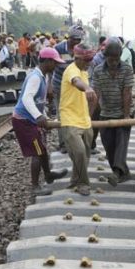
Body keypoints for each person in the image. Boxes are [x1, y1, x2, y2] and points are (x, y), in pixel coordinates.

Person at [12, 48, 69, 197]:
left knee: (42, 149)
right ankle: (35, 186)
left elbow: (38, 101)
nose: (56, 66)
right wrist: (38, 116)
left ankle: (48, 175)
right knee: (37, 152)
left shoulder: (43, 76)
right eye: (54, 63)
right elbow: (26, 98)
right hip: (24, 121)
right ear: (48, 61)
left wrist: (43, 116)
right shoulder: (35, 77)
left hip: (31, 119)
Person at [92, 39, 134, 186]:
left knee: (121, 143)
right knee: (109, 145)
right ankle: (124, 173)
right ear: (105, 56)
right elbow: (95, 95)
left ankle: (116, 173)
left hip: (123, 111)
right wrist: (90, 116)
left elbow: (127, 93)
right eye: (111, 59)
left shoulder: (127, 69)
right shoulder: (98, 71)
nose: (114, 62)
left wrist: (127, 116)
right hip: (106, 112)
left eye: (117, 59)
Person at [60, 44, 98, 196]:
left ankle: (75, 179)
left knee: (85, 153)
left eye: (91, 59)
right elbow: (77, 82)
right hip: (70, 118)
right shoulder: (72, 70)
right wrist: (87, 89)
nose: (90, 62)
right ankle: (83, 183)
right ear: (77, 58)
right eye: (87, 59)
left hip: (83, 118)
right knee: (80, 151)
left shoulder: (84, 71)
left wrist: (89, 113)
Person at [53, 25, 85, 152]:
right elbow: (52, 68)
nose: (76, 42)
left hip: (76, 86)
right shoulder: (59, 48)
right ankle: (63, 144)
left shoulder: (81, 50)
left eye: (79, 40)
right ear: (69, 37)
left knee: (76, 111)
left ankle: (76, 140)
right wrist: (49, 85)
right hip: (60, 84)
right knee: (62, 113)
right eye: (74, 39)